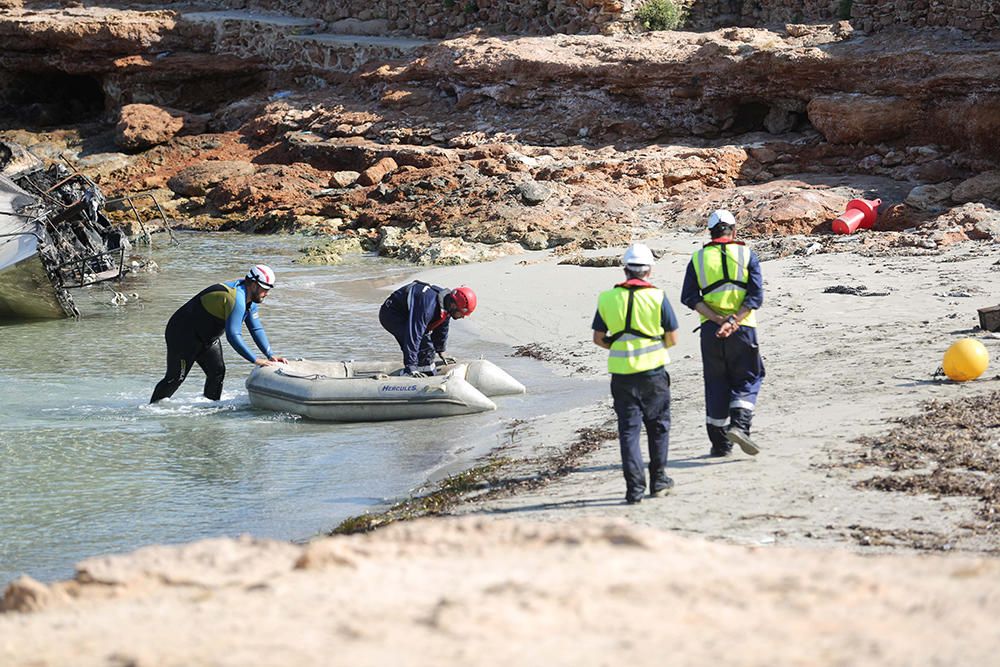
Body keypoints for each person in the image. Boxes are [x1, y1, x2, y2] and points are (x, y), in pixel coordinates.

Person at [592, 243, 679, 505]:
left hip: (622, 375)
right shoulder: (658, 296)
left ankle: (634, 489)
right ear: (649, 271)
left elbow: (598, 338)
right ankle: (659, 479)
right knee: (658, 427)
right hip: (653, 373)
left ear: (625, 269)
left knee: (629, 432)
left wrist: (617, 345)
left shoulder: (607, 298)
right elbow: (672, 338)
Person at [681, 209, 765, 457]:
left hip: (711, 331)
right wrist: (733, 320)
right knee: (749, 377)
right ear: (734, 230)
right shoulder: (747, 254)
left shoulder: (698, 259)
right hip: (743, 329)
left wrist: (718, 320)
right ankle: (739, 425)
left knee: (716, 383)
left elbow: (689, 297)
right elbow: (755, 297)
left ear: (709, 232)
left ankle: (720, 444)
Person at [150, 264, 287, 403]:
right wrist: (255, 360)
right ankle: (151, 411)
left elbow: (256, 329)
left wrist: (270, 355)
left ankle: (210, 411)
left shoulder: (250, 300)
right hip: (182, 334)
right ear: (253, 284)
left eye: (268, 289)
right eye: (264, 289)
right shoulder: (236, 298)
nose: (267, 293)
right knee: (176, 378)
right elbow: (233, 335)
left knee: (217, 372)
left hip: (208, 337)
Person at [379, 281, 476, 377]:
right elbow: (413, 335)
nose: (462, 317)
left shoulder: (447, 302)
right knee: (424, 347)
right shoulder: (428, 307)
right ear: (454, 306)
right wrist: (411, 366)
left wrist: (441, 350)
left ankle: (425, 371)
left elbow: (442, 327)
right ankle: (408, 373)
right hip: (391, 314)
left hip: (410, 313)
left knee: (427, 350)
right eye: (461, 313)